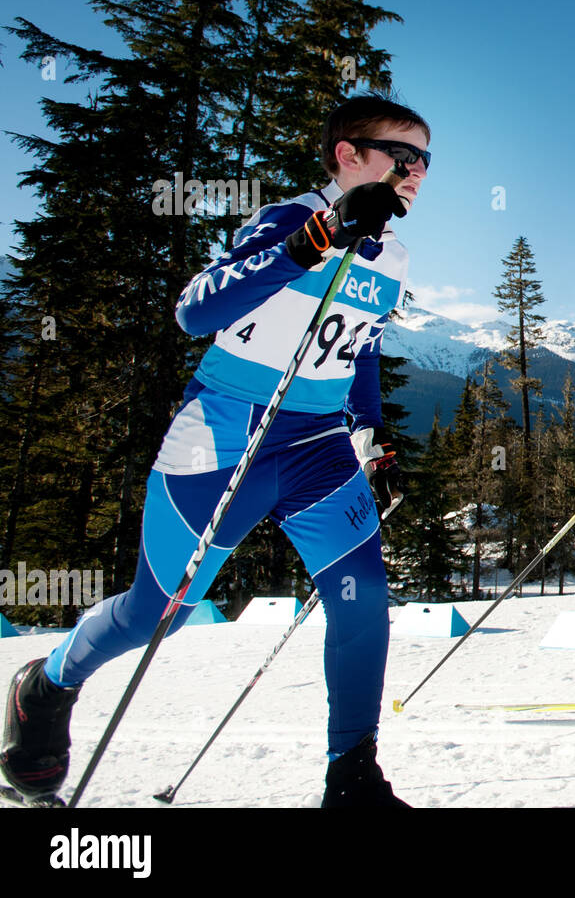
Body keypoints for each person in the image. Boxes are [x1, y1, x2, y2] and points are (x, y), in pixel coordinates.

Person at [0, 94, 428, 806]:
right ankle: (46, 685)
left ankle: (351, 778)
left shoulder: (398, 256)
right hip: (229, 433)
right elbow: (196, 309)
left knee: (362, 600)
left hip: (320, 445)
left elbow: (364, 349)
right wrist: (317, 237)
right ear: (347, 154)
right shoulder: (291, 219)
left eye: (425, 160)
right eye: (401, 154)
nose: (416, 171)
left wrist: (368, 432)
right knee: (160, 609)